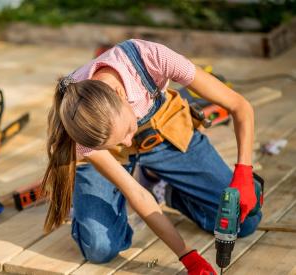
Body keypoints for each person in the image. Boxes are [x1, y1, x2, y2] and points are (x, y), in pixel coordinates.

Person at [41, 39, 262, 275]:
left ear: (120, 94)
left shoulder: (151, 58)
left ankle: (167, 189)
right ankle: (111, 192)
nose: (128, 143)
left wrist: (243, 173)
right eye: (119, 140)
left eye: (127, 130)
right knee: (99, 249)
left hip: (165, 133)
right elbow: (136, 193)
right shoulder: (81, 130)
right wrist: (187, 256)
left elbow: (240, 106)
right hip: (110, 156)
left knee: (245, 222)